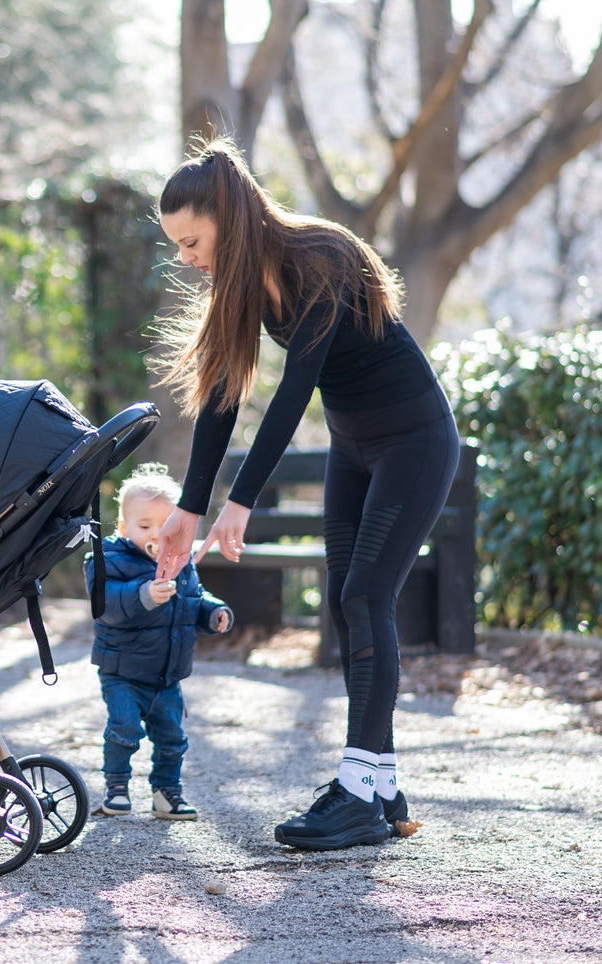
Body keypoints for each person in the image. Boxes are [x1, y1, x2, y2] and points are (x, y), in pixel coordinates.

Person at [149, 136, 460, 851]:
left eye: (192, 240)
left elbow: (294, 393)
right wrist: (190, 509)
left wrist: (242, 500)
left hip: (413, 442)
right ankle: (378, 788)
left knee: (363, 598)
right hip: (353, 449)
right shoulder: (240, 289)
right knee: (347, 607)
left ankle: (353, 789)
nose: (186, 257)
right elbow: (221, 399)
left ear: (228, 217)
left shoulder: (319, 256)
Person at [85, 462, 234, 820]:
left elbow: (194, 599)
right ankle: (117, 788)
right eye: (144, 525)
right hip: (121, 671)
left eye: (163, 526)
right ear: (123, 528)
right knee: (124, 731)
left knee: (172, 739)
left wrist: (213, 613)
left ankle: (167, 793)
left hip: (167, 674)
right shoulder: (108, 560)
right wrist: (145, 595)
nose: (154, 533)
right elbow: (106, 605)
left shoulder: (182, 562)